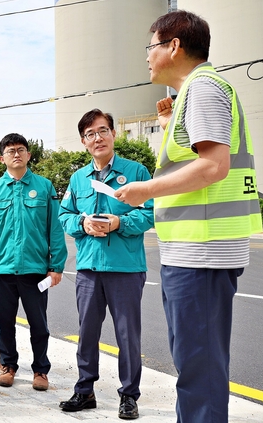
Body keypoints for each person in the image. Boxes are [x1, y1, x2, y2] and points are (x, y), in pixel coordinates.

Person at [115, 10, 262, 422]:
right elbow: (192, 161)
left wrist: (144, 190)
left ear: (173, 46)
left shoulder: (204, 88)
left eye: (151, 45)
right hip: (191, 249)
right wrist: (167, 125)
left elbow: (213, 166)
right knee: (193, 362)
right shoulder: (190, 96)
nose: (146, 56)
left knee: (199, 366)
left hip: (204, 250)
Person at [58, 109, 154, 419]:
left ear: (113, 134)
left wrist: (119, 223)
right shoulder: (78, 178)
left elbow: (151, 212)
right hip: (88, 268)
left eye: (102, 131)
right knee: (87, 332)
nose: (97, 138)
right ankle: (84, 390)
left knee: (127, 334)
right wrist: (82, 225)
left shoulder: (136, 171)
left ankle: (129, 395)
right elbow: (65, 216)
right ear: (83, 142)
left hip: (125, 268)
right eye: (90, 134)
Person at [0, 133, 68, 391]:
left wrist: (56, 266)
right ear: (2, 157)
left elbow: (55, 229)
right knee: (5, 324)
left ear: (28, 155)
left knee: (39, 324)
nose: (16, 154)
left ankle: (40, 370)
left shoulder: (45, 186)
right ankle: (8, 365)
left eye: (21, 150)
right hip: (2, 270)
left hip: (35, 270)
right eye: (11, 150)